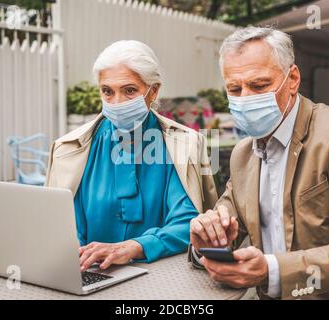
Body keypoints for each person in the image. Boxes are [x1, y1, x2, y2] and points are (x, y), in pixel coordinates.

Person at [189, 27, 329, 299]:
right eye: (234, 89)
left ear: (292, 78)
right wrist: (205, 241)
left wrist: (273, 271)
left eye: (258, 85)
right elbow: (225, 224)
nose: (245, 99)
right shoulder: (243, 154)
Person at [45, 40, 218, 271]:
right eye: (107, 91)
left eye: (129, 91)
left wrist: (135, 247)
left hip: (166, 279)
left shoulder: (183, 145)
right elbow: (61, 227)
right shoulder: (70, 149)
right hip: (91, 275)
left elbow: (188, 222)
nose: (117, 103)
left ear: (153, 90)